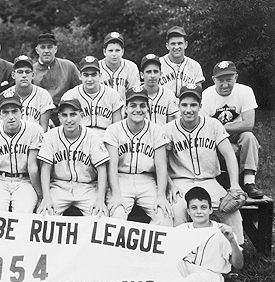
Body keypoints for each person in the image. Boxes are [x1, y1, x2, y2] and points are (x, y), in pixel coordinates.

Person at [163, 85, 244, 242]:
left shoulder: (213, 125)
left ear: (200, 106)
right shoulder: (168, 129)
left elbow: (229, 155)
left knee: (231, 213)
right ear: (178, 106)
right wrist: (169, 184)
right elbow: (160, 163)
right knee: (178, 212)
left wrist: (234, 184)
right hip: (181, 182)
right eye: (184, 105)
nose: (189, 109)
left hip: (209, 181)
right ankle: (180, 257)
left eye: (193, 105)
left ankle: (235, 255)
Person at [103, 86, 173, 225]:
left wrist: (161, 195)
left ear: (148, 108)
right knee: (115, 216)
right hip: (121, 179)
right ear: (125, 109)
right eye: (133, 105)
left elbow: (161, 166)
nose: (138, 109)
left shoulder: (156, 130)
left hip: (147, 180)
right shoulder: (114, 130)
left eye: (142, 105)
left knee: (164, 217)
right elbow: (112, 166)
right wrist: (116, 193)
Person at [173, 186, 243, 282]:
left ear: (210, 209)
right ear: (188, 211)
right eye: (194, 208)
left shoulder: (222, 231)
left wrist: (232, 241)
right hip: (187, 271)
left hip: (210, 278)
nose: (199, 212)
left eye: (203, 207)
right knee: (169, 267)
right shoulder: (182, 230)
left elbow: (238, 264)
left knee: (196, 281)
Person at [201, 61, 264, 199]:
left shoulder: (245, 91)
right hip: (215, 137)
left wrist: (221, 127)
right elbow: (204, 127)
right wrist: (223, 137)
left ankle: (249, 182)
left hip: (236, 134)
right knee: (231, 148)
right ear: (213, 80)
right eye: (220, 80)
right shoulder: (207, 95)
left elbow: (248, 124)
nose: (225, 84)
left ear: (235, 77)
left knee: (249, 137)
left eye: (229, 80)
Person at [37, 98, 110, 217]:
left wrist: (100, 199)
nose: (69, 120)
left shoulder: (92, 137)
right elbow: (45, 168)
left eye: (73, 114)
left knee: (100, 216)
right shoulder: (51, 136)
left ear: (81, 115)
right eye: (64, 115)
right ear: (59, 117)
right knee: (44, 215)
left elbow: (102, 168)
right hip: (59, 186)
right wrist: (46, 198)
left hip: (86, 187)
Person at [0, 91, 43, 213]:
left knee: (23, 212)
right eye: (6, 112)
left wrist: (40, 196)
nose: (11, 116)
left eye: (14, 111)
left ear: (21, 111)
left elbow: (33, 167)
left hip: (24, 181)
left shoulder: (34, 130)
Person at [61, 55, 124, 136]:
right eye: (86, 75)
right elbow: (64, 127)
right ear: (80, 76)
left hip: (106, 138)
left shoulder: (112, 95)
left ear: (100, 75)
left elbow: (117, 128)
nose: (90, 79)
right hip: (79, 138)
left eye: (93, 75)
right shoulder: (70, 96)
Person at [33, 33, 81, 127]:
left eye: (50, 47)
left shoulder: (68, 67)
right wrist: (44, 119)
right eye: (43, 47)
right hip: (40, 115)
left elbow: (81, 91)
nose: (46, 51)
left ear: (55, 49)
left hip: (66, 114)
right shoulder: (31, 71)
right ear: (37, 50)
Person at [5, 55, 54, 132]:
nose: (24, 75)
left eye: (27, 72)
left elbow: (43, 130)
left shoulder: (43, 95)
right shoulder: (5, 95)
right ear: (13, 75)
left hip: (36, 139)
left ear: (33, 75)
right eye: (20, 72)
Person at [159, 26, 205, 97]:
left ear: (185, 44)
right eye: (173, 44)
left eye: (180, 43)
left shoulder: (194, 66)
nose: (176, 47)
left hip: (187, 106)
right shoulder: (158, 64)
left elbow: (198, 94)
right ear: (167, 46)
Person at [99, 32, 140, 100]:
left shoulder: (131, 67)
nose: (114, 54)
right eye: (110, 50)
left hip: (125, 109)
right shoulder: (97, 67)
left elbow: (134, 95)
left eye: (117, 50)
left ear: (122, 51)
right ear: (104, 52)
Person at [140, 53, 179, 126]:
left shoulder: (168, 95)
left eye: (155, 71)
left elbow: (172, 125)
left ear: (161, 74)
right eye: (148, 72)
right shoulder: (135, 94)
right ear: (142, 75)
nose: (152, 75)